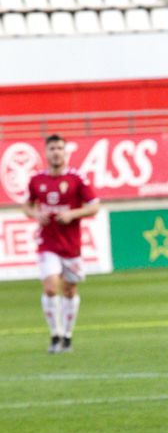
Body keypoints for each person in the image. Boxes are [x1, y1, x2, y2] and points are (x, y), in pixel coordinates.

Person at [21, 134, 100, 354]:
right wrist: (36, 214)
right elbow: (26, 206)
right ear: (46, 153)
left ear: (65, 152)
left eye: (59, 148)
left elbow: (94, 206)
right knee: (50, 286)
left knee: (69, 290)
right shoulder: (36, 180)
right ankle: (54, 334)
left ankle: (67, 335)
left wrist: (73, 213)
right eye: (52, 148)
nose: (56, 152)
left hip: (71, 246)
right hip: (47, 244)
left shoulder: (77, 178)